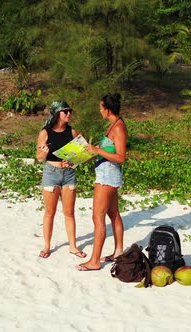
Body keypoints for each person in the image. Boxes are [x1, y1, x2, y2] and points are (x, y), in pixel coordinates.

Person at [77, 93, 127, 271]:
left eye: (100, 107)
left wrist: (97, 150)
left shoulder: (118, 128)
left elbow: (120, 157)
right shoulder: (113, 125)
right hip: (107, 175)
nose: (99, 111)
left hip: (108, 178)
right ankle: (118, 251)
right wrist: (82, 156)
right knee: (113, 215)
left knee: (97, 217)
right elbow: (105, 152)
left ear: (107, 109)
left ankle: (94, 260)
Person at [36, 100, 86, 259]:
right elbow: (38, 157)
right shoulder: (45, 132)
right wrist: (44, 153)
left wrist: (74, 160)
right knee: (50, 212)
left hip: (69, 173)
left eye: (70, 111)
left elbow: (82, 153)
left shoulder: (72, 132)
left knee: (69, 213)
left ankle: (73, 246)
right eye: (66, 112)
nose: (69, 114)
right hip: (51, 172)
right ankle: (46, 246)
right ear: (57, 114)